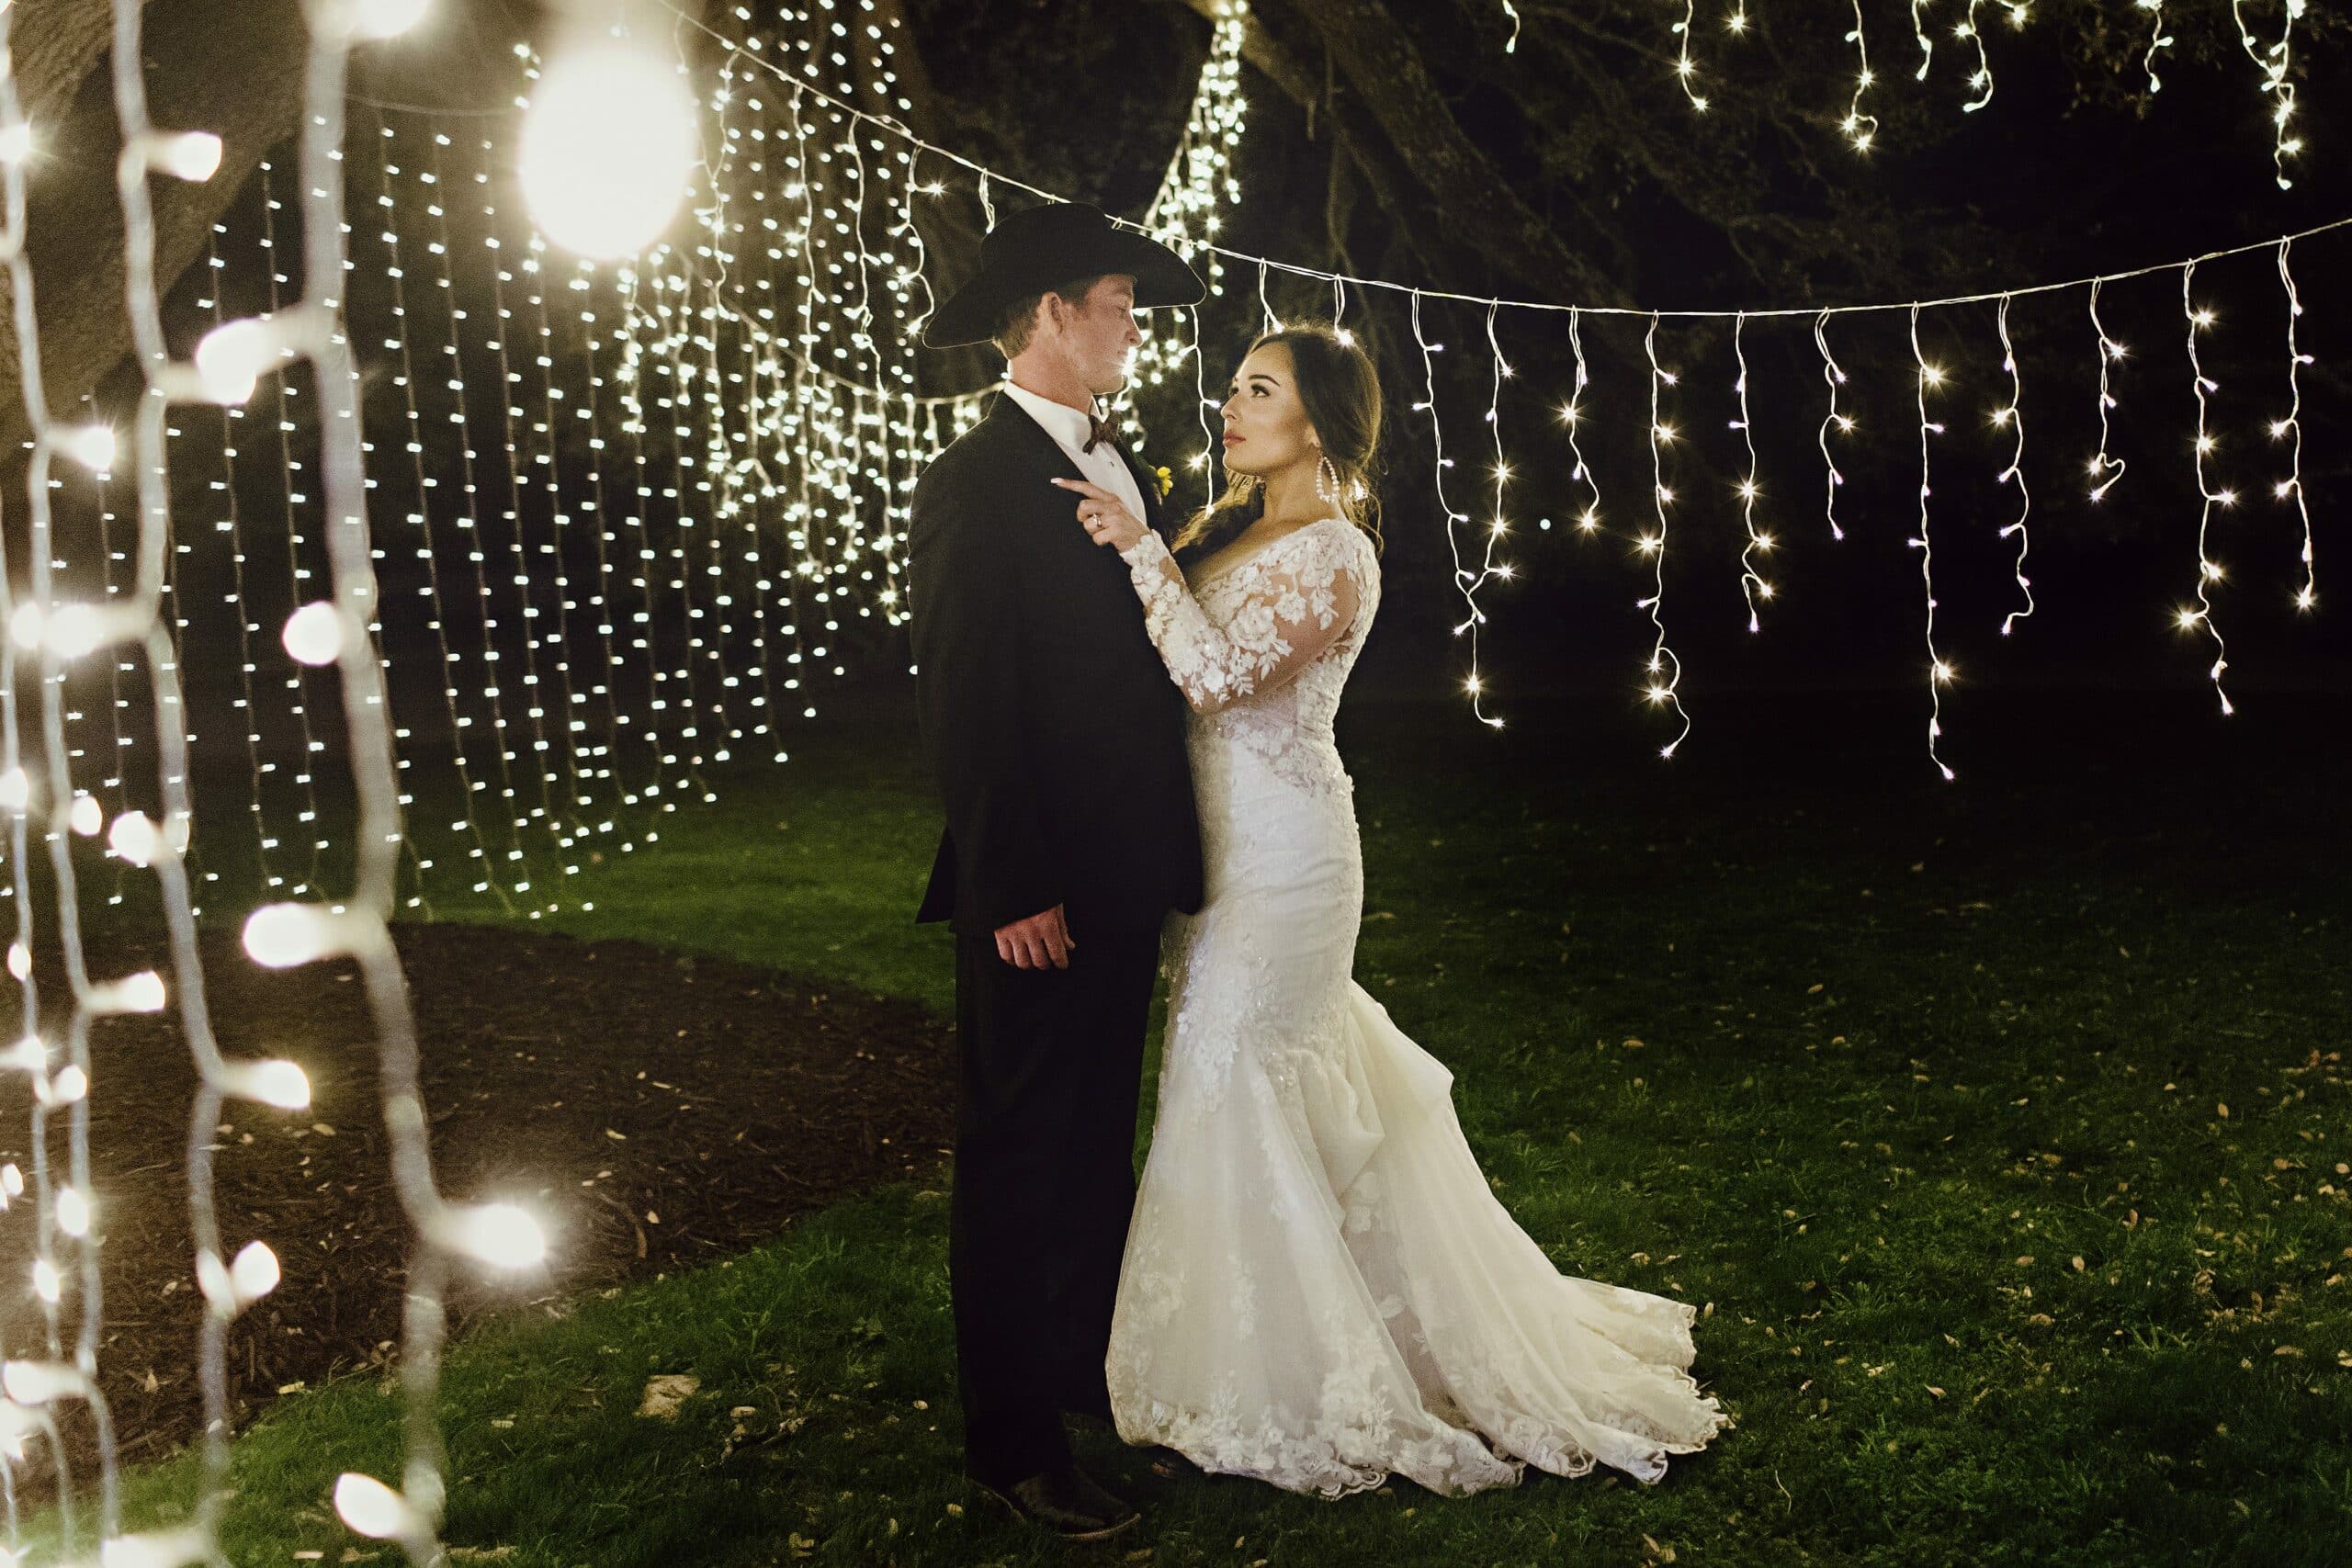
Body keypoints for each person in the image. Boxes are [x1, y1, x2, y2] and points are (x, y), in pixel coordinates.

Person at [1053, 323, 1731, 1498]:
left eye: (1259, 391)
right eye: (1233, 389)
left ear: (1318, 419)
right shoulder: (1230, 526)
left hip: (1286, 857)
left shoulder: (1334, 555)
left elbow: (1216, 679)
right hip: (1210, 852)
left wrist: (1139, 556)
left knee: (1237, 1075)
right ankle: (1287, 1331)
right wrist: (1155, 549)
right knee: (1234, 1079)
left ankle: (1280, 1372)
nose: (1231, 407)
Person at [904, 200, 1205, 1541]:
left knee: (1094, 1144)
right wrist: (1011, 882)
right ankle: (1014, 1444)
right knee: (1019, 1155)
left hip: (1128, 864)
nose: (1134, 329)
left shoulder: (1115, 452)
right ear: (1051, 318)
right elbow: (971, 704)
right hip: (1037, 887)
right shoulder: (971, 481)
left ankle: (1088, 1376)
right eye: (1119, 306)